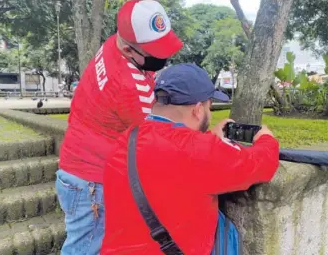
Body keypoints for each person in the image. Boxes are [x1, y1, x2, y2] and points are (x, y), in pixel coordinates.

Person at [101, 63, 280, 255]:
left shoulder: (127, 138)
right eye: (209, 107)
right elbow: (261, 163)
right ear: (197, 110)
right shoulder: (198, 151)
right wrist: (265, 138)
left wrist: (210, 139)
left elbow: (171, 154)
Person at [55, 1, 183, 254]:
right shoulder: (128, 87)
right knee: (84, 249)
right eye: (154, 53)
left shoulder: (114, 43)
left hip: (77, 167)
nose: (162, 58)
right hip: (91, 182)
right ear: (128, 48)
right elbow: (159, 140)